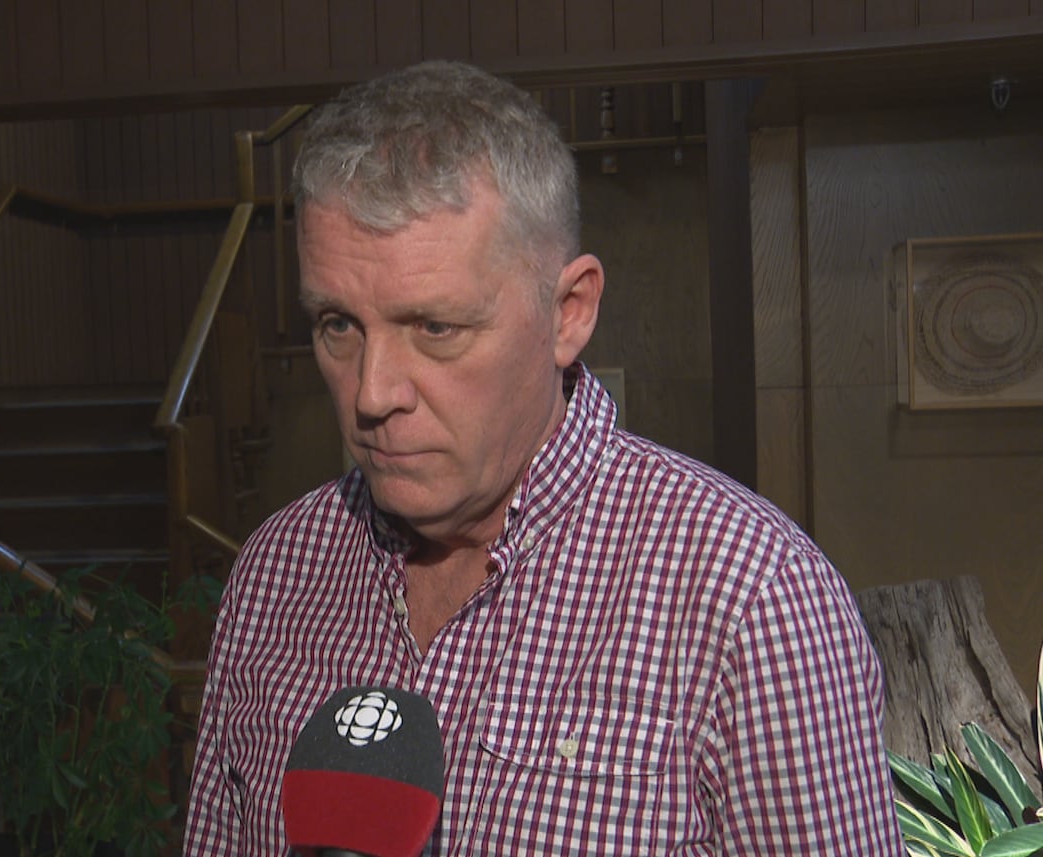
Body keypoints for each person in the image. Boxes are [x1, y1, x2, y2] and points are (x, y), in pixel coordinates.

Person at [183, 60, 904, 855]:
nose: (372, 392)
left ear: (569, 311)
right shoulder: (276, 572)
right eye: (338, 325)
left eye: (435, 327)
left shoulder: (751, 597)